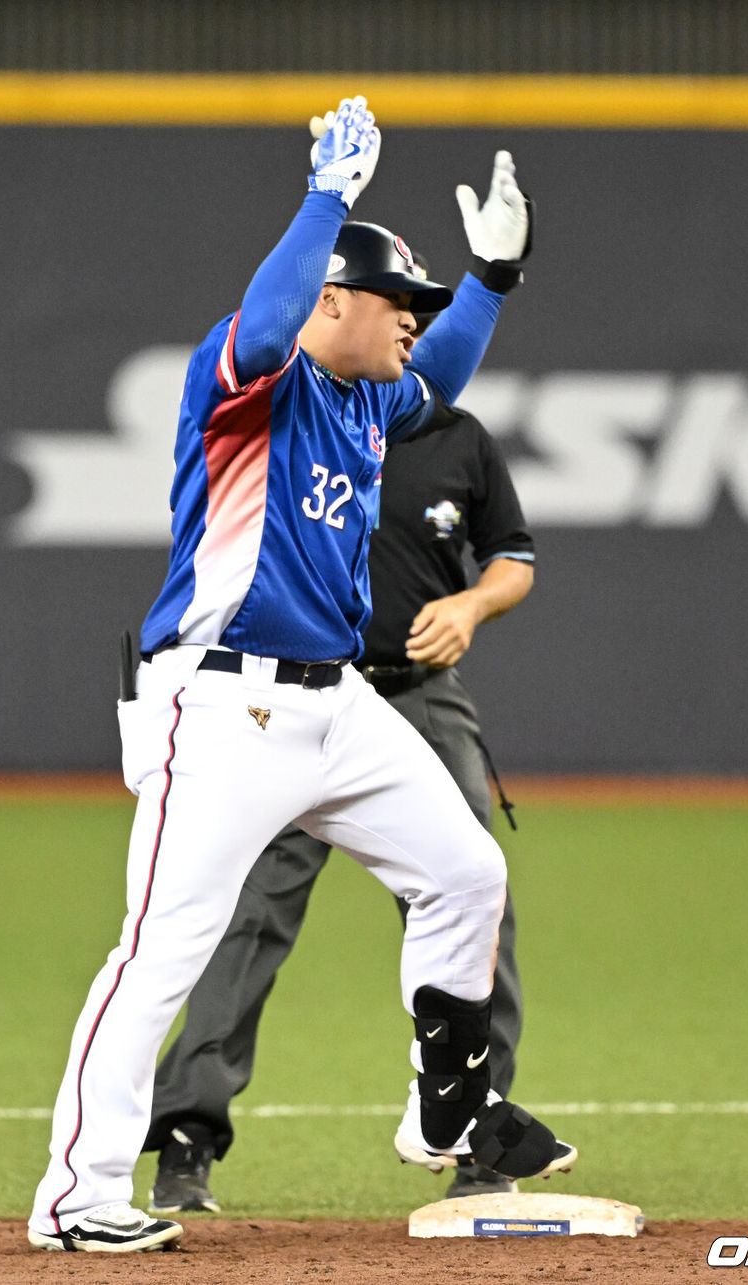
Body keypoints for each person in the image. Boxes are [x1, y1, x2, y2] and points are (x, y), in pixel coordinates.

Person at [28, 94, 576, 1255]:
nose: (415, 326)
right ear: (335, 300)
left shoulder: (371, 402)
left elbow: (448, 371)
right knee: (165, 942)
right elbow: (269, 324)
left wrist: (489, 280)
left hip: (339, 706)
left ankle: (445, 1110)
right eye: (401, 304)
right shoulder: (247, 388)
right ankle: (79, 1195)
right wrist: (327, 197)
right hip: (220, 702)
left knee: (466, 872)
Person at [145, 387, 535, 1213]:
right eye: (394, 308)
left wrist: (472, 602)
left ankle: (473, 1129)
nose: (407, 327)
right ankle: (187, 1137)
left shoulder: (460, 439)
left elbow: (514, 556)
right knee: (247, 913)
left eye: (416, 314)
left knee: (476, 895)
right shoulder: (309, 417)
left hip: (422, 698)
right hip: (298, 699)